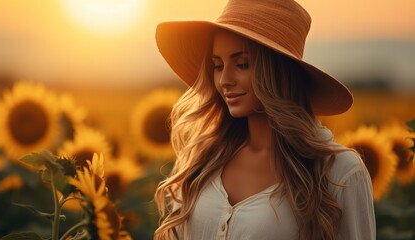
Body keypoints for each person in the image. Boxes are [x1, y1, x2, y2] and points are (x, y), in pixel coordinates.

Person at [154, 0, 376, 239]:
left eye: (242, 64)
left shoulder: (339, 172)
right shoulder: (203, 158)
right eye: (217, 66)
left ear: (278, 70)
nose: (224, 80)